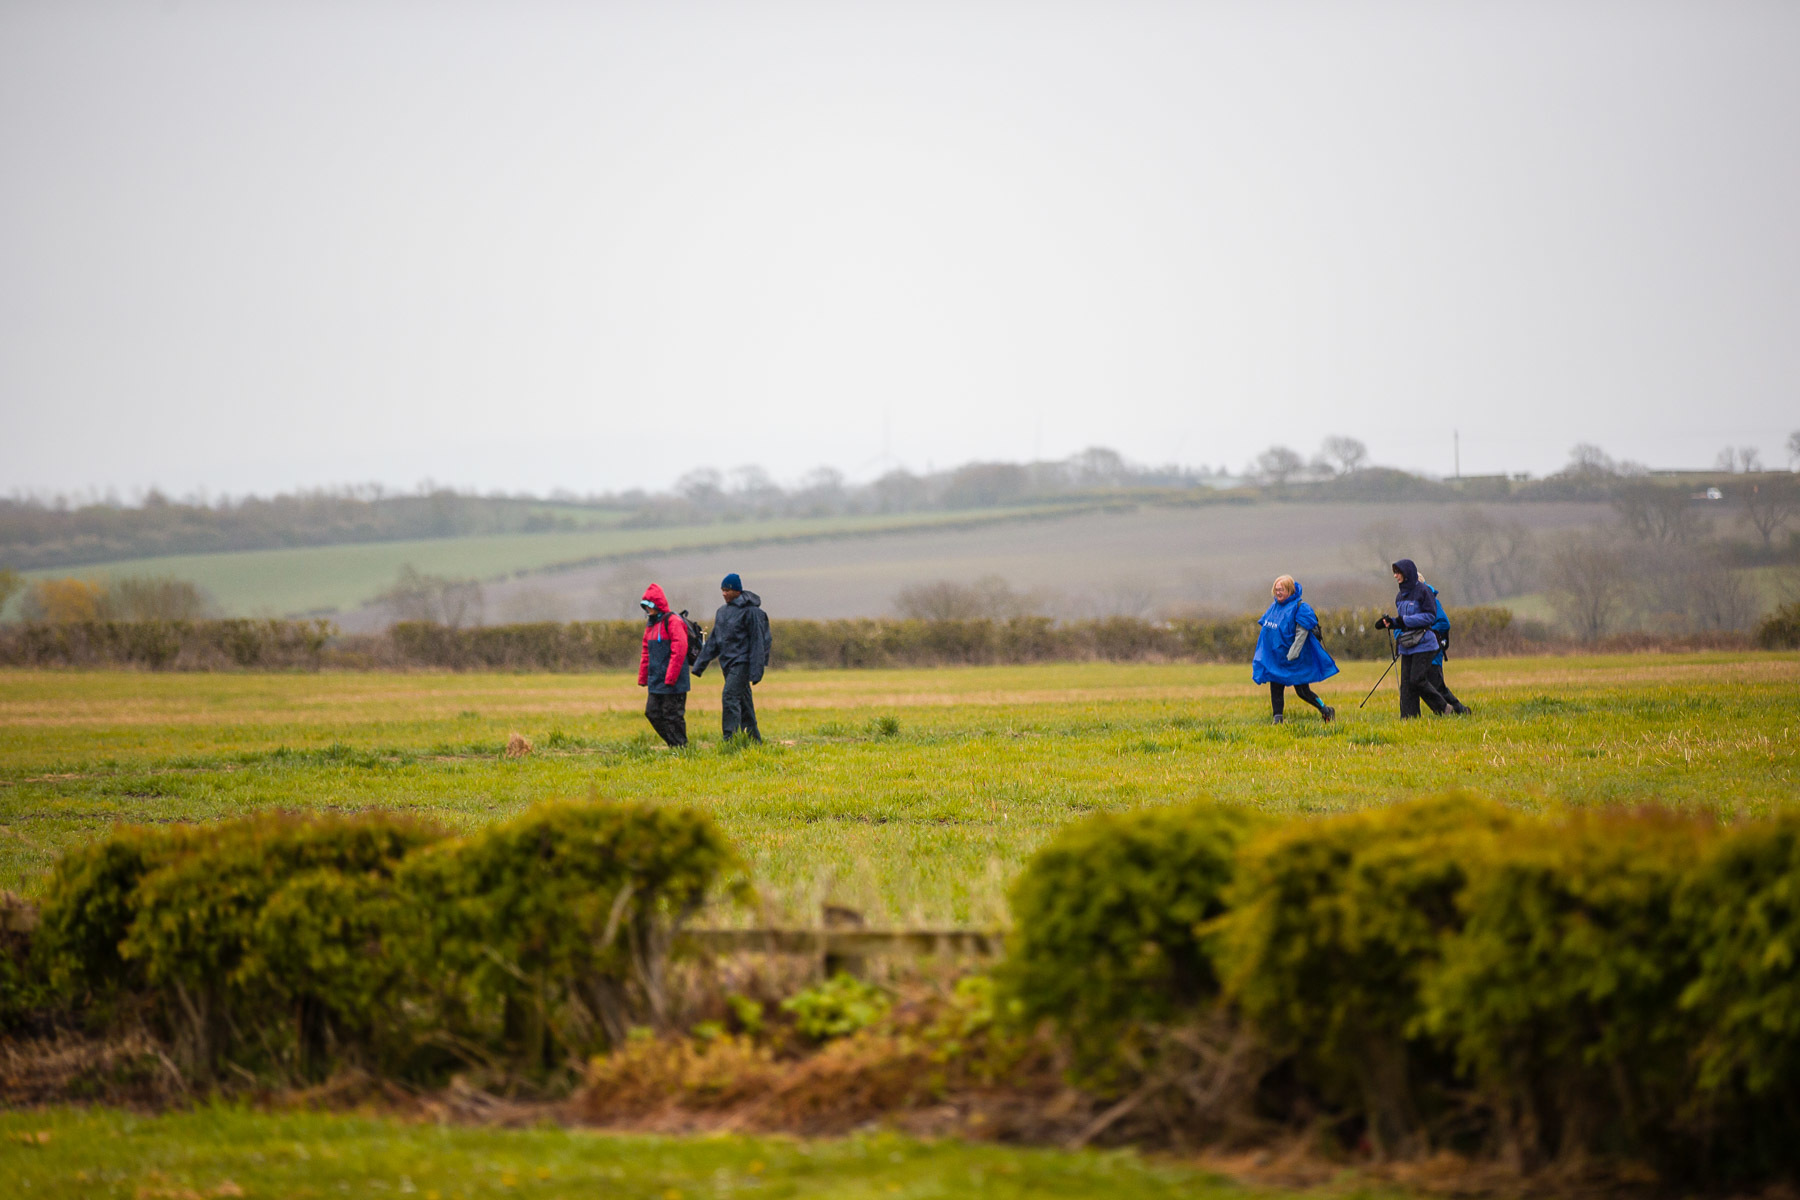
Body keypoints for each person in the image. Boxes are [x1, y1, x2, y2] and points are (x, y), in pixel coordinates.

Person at [693, 572, 771, 743]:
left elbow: (759, 641)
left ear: (737, 591)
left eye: (727, 590)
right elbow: (714, 640)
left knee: (729, 696)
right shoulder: (722, 612)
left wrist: (757, 670)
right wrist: (699, 665)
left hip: (742, 662)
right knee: (744, 702)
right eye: (722, 590)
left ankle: (730, 739)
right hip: (726, 663)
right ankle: (754, 740)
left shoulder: (751, 612)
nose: (724, 593)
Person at [1251, 575, 1338, 724]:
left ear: (1290, 590)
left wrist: (1293, 653)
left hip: (1295, 659)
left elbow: (1301, 634)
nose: (1278, 593)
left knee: (1303, 692)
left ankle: (1326, 710)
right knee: (1276, 688)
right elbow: (1267, 629)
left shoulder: (1300, 608)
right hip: (1277, 658)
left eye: (1281, 590)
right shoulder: (1274, 607)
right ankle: (1277, 720)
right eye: (1276, 589)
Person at [1377, 559, 1454, 718]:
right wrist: (1390, 623)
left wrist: (1402, 621)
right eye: (1395, 573)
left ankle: (1444, 709)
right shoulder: (1399, 596)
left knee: (1417, 680)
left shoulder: (1423, 591)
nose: (1395, 576)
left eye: (1398, 572)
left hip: (1424, 644)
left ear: (1407, 573)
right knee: (1406, 685)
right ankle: (1409, 718)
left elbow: (1429, 617)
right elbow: (1402, 619)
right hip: (1407, 645)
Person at [636, 583, 690, 747]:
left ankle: (681, 747)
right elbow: (646, 653)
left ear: (658, 604)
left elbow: (679, 650)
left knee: (672, 715)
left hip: (673, 682)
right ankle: (675, 745)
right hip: (656, 681)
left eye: (650, 605)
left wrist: (671, 677)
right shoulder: (651, 625)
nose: (648, 610)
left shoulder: (673, 621)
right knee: (652, 713)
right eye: (646, 606)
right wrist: (643, 678)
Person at [1420, 577, 1471, 716]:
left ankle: (1460, 710)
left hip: (1434, 651)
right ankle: (1445, 711)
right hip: (1424, 650)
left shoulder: (1432, 602)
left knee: (1437, 686)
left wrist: (1426, 633)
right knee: (1425, 684)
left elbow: (1444, 623)